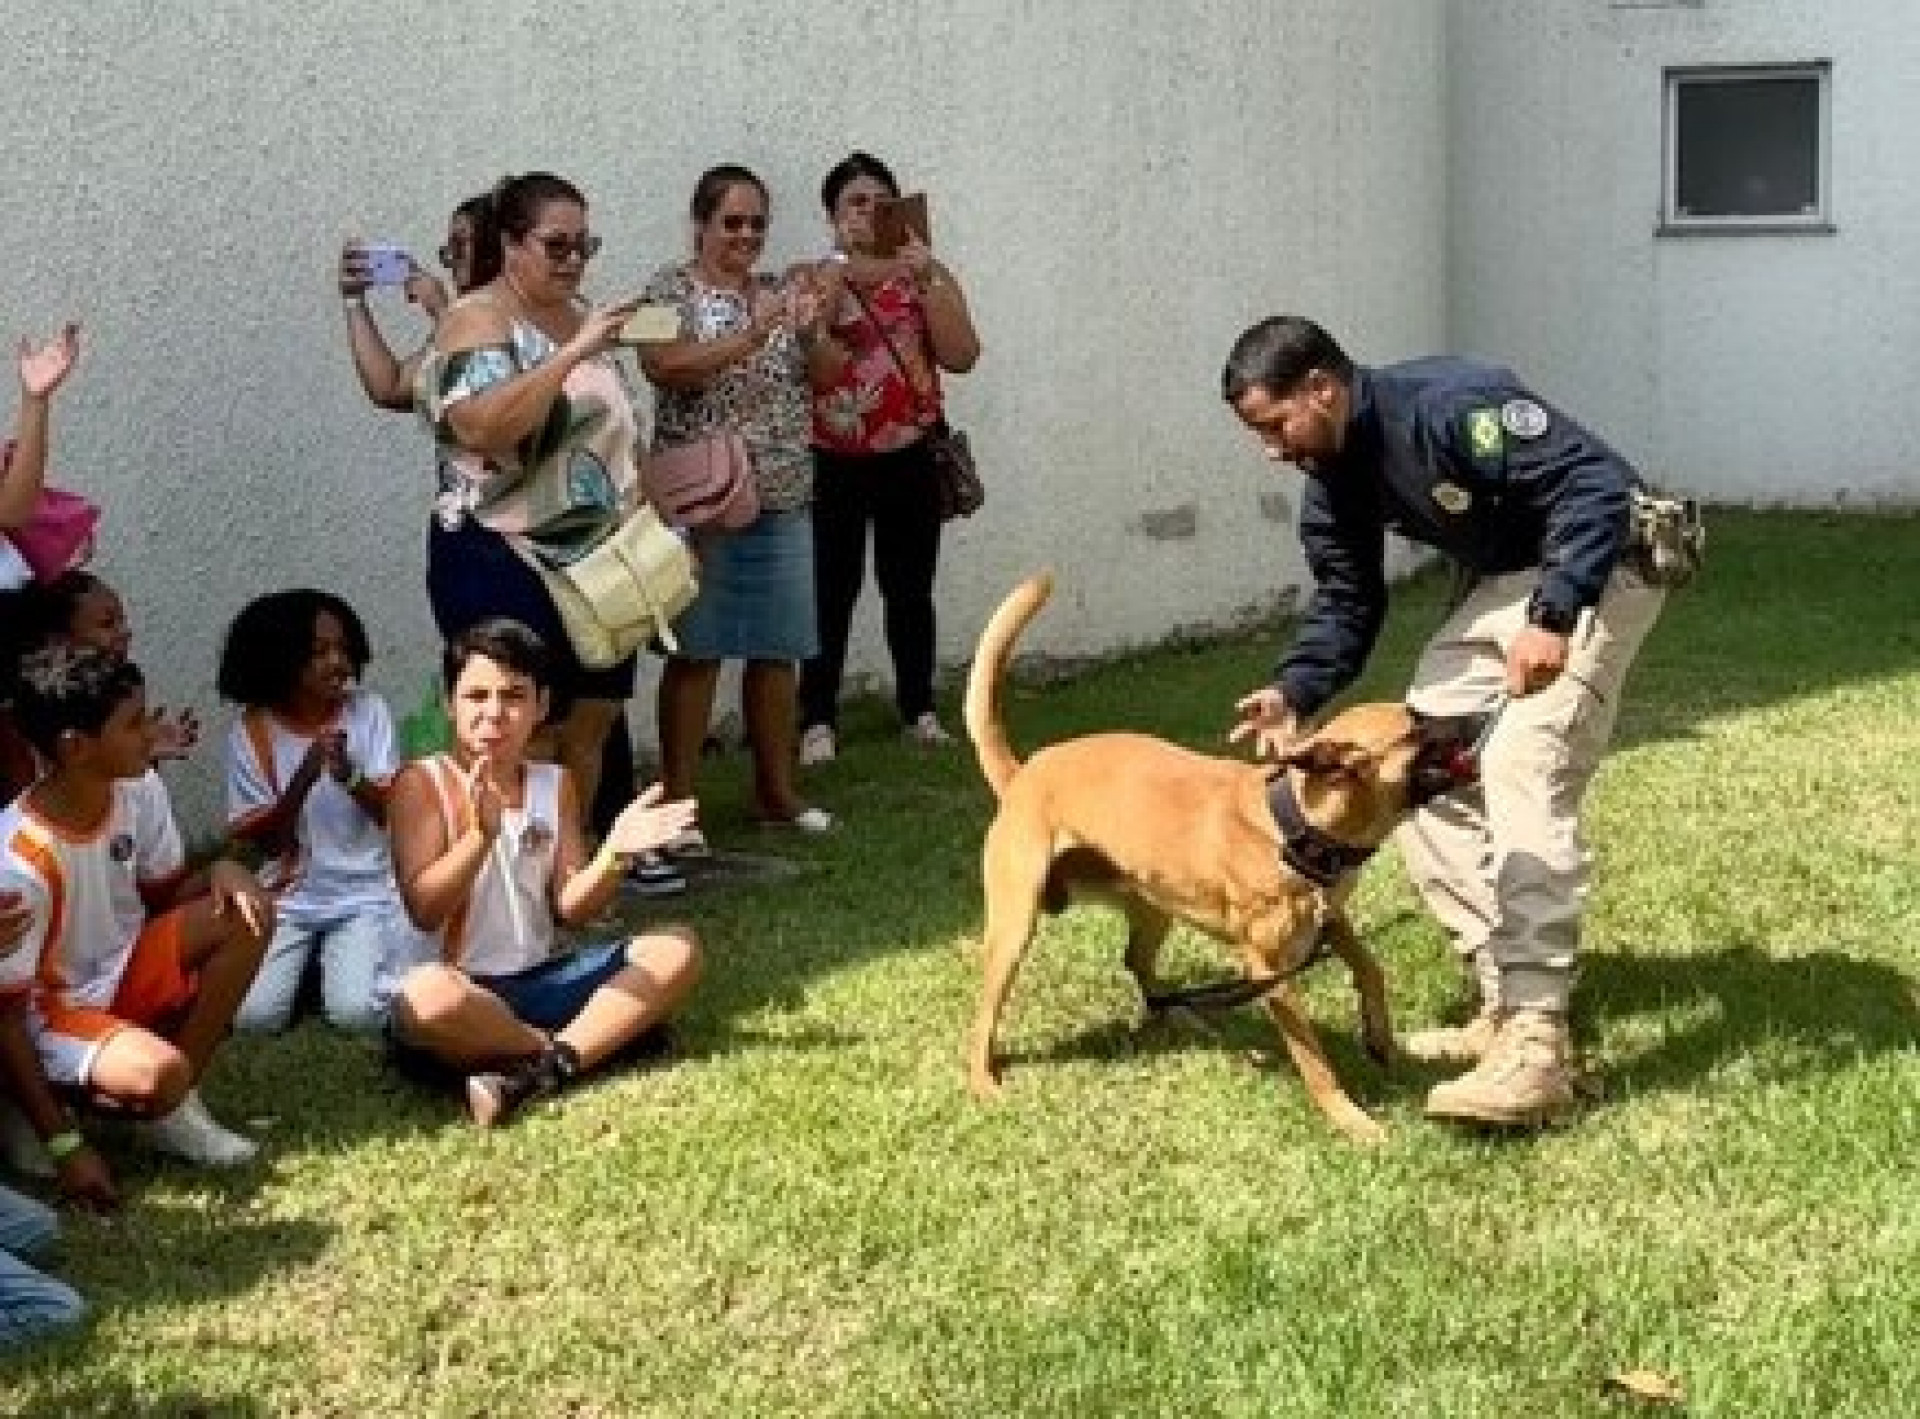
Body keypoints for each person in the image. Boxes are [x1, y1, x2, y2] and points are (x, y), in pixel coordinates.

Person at [1221, 316, 1665, 1128]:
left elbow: (1595, 486)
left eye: (1274, 424)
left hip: (1603, 561)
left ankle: (1537, 1047)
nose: (1272, 449)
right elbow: (1348, 601)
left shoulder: (1449, 405)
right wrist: (1295, 688)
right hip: (1507, 582)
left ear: (1321, 388)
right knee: (1417, 773)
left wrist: (1555, 615)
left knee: (1523, 762)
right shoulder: (1332, 483)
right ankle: (1503, 1002)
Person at [339, 195, 663, 892]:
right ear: (511, 244)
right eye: (557, 245)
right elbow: (483, 426)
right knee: (522, 725)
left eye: (586, 245)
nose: (575, 260)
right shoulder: (473, 322)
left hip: (598, 559)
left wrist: (658, 525)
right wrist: (577, 351)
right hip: (500, 554)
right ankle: (505, 888)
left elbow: (623, 424)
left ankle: (567, 877)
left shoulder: (586, 315)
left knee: (593, 716)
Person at [384, 619, 702, 1128]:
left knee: (675, 948)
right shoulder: (421, 784)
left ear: (542, 706)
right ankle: (567, 1050)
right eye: (476, 696)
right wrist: (479, 837)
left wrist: (615, 854)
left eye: (513, 696)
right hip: (462, 990)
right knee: (428, 999)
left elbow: (573, 909)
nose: (494, 713)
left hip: (538, 981)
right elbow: (425, 910)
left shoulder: (554, 784)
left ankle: (533, 1072)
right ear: (450, 704)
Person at [0, 645, 271, 1184]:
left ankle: (174, 1111)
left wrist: (223, 870)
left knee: (245, 912)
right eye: (133, 724)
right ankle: (28, 1111)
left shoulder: (139, 788)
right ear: (75, 747)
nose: (151, 734)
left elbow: (169, 894)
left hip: (121, 968)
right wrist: (65, 1145)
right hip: (48, 1014)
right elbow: (5, 1016)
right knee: (159, 1073)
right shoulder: (17, 864)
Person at [639, 164, 837, 844]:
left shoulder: (781, 292)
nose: (747, 234)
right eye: (733, 221)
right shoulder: (666, 287)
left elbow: (831, 376)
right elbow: (663, 364)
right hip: (703, 498)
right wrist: (752, 335)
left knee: (777, 650)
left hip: (781, 490)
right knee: (697, 652)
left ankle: (776, 792)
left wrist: (809, 333)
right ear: (701, 224)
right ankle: (679, 805)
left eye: (757, 223)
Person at [796, 152, 982, 764]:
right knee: (832, 590)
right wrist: (834, 281)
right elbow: (815, 369)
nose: (868, 211)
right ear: (832, 216)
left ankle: (918, 707)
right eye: (854, 202)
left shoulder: (924, 275)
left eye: (879, 200)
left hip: (910, 453)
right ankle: (816, 718)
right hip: (837, 456)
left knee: (910, 587)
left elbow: (961, 355)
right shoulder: (816, 279)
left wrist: (927, 277)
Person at [218, 590, 415, 1033]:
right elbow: (268, 844)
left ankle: (335, 960)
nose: (337, 662)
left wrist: (348, 775)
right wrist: (304, 778)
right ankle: (316, 962)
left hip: (365, 891)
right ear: (278, 659)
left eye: (343, 648)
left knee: (358, 1015)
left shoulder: (369, 711)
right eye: (319, 652)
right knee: (254, 1019)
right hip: (291, 897)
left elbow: (395, 815)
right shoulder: (251, 731)